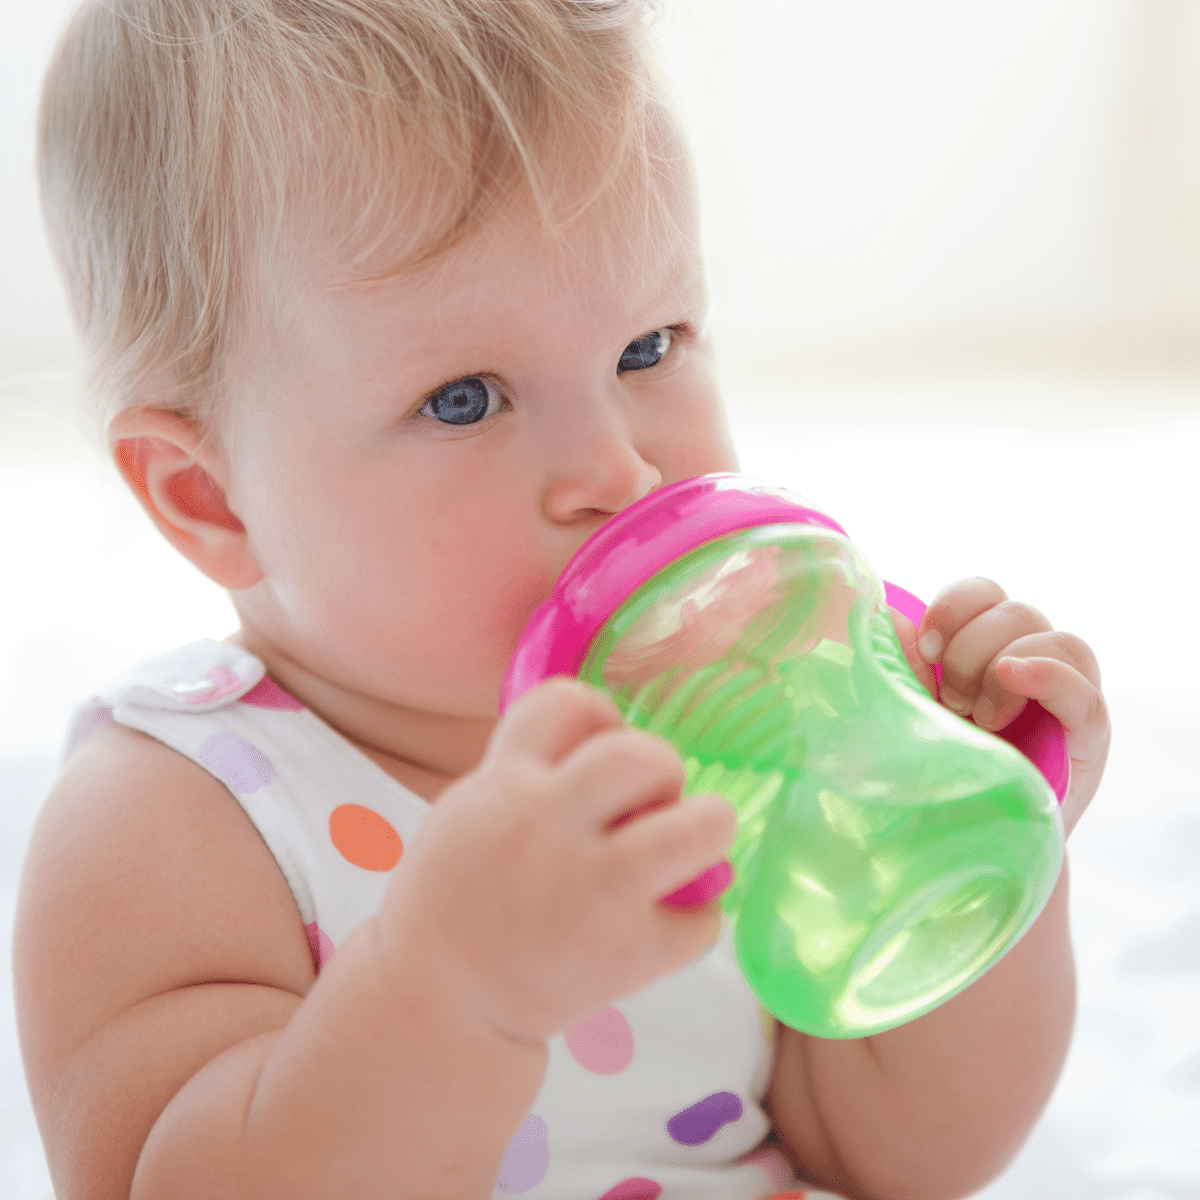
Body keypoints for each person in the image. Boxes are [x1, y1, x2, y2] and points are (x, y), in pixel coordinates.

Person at [12, 2, 1112, 1198]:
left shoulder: (745, 733)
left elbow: (895, 1154)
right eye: (466, 400)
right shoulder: (172, 819)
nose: (620, 473)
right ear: (210, 498)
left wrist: (975, 846)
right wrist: (452, 991)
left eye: (648, 349)